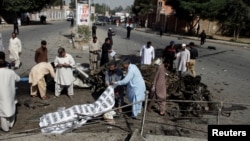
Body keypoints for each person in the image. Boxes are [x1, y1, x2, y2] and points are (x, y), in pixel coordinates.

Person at [0, 51, 20, 132]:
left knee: (2, 113)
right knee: (11, 109)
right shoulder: (11, 72)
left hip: (1, 96)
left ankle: (6, 128)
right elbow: (18, 79)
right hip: (10, 95)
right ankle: (11, 125)